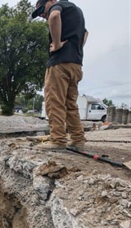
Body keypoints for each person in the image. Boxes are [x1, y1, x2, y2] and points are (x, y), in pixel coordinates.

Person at [32, 0, 88, 150]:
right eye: (39, 13)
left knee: (54, 101)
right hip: (75, 64)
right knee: (70, 104)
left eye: (42, 9)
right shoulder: (76, 11)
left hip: (60, 63)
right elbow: (85, 33)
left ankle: (57, 140)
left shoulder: (58, 7)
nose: (42, 14)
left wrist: (56, 44)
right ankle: (78, 140)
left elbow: (54, 16)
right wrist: (75, 49)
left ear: (51, 1)